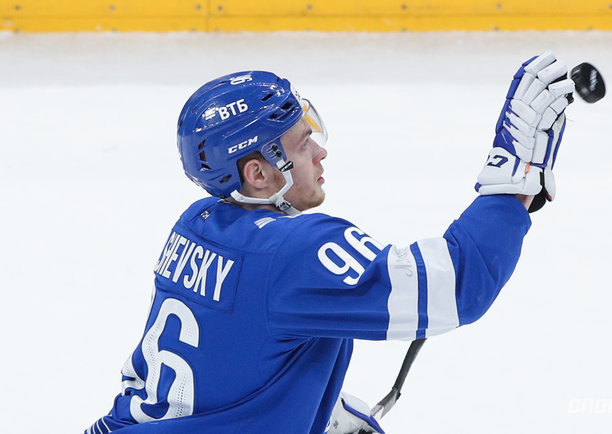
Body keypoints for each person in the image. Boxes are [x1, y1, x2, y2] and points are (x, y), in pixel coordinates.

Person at [84, 51, 574, 434]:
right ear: (258, 174)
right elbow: (455, 286)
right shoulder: (293, 252)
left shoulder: (196, 223)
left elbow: (222, 357)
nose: (319, 152)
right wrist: (514, 178)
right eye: (301, 144)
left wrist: (310, 409)